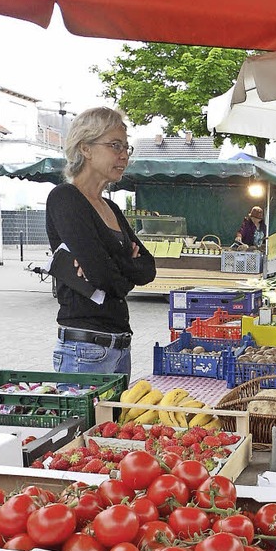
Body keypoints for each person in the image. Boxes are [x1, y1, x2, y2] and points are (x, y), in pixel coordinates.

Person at [46, 106, 156, 377]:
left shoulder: (111, 208)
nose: (123, 155)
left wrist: (111, 265)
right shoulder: (65, 198)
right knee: (86, 422)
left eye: (127, 147)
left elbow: (149, 269)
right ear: (85, 148)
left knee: (115, 421)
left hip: (119, 345)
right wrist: (122, 264)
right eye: (115, 145)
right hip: (84, 348)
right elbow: (106, 278)